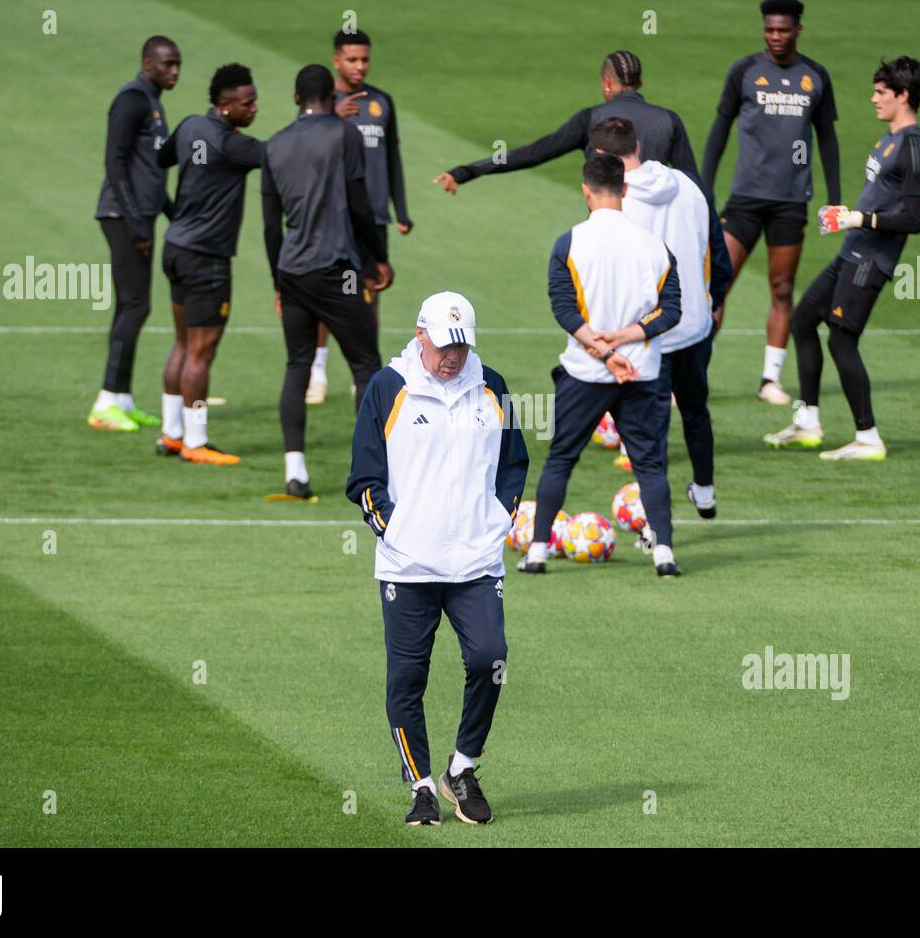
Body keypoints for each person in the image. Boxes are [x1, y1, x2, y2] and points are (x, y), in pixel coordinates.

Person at [346, 292, 529, 826]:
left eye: (462, 344)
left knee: (489, 658)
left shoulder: (492, 385)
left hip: (476, 562)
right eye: (445, 344)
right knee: (407, 680)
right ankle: (422, 786)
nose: (453, 356)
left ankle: (463, 768)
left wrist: (500, 520)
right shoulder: (388, 387)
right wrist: (393, 530)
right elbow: (363, 475)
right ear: (420, 335)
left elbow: (514, 463)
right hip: (408, 566)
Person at [519, 154, 683, 577]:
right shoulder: (655, 246)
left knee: (560, 459)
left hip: (584, 372)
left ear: (585, 190)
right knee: (649, 464)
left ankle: (537, 551)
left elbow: (563, 308)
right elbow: (671, 311)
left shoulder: (569, 242)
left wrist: (603, 350)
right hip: (641, 372)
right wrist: (625, 342)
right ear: (625, 190)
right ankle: (664, 552)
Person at [764, 56, 920, 461]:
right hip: (852, 251)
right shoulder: (887, 140)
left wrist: (860, 217)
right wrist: (845, 217)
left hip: (871, 261)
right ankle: (807, 421)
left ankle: (868, 436)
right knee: (804, 320)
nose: (873, 99)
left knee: (842, 339)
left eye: (881, 92)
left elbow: (913, 218)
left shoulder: (913, 147)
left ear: (903, 95)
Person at [590, 117, 733, 519]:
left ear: (601, 155)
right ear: (638, 144)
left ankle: (655, 527)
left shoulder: (615, 205)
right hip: (693, 327)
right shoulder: (690, 186)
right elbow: (718, 254)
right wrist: (713, 300)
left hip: (647, 334)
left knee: (647, 432)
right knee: (695, 410)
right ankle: (704, 491)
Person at [700, 0, 840, 406]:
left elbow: (827, 138)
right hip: (744, 199)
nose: (775, 37)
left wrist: (833, 199)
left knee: (782, 288)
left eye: (783, 30)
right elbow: (719, 129)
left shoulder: (815, 76)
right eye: (769, 30)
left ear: (798, 28)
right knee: (716, 287)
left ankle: (769, 381)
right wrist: (705, 188)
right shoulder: (744, 72)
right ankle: (693, 377)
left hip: (790, 201)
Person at [262, 64, 393, 499]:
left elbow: (270, 227)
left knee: (298, 363)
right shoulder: (344, 135)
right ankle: (372, 470)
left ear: (297, 96)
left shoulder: (275, 144)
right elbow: (361, 205)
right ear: (330, 97)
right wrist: (378, 258)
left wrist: (277, 282)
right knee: (366, 364)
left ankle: (294, 470)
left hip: (293, 272)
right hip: (341, 273)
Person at [154, 64, 263, 465]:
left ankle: (171, 434)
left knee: (183, 343)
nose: (254, 109)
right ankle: (196, 443)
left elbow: (158, 161)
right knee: (202, 351)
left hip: (176, 248)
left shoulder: (188, 127)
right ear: (225, 104)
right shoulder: (233, 146)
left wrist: (173, 213)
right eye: (247, 104)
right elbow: (282, 154)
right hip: (207, 260)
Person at [308, 28, 414, 405]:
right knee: (327, 292)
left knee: (369, 292)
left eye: (364, 59)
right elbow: (305, 147)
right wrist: (331, 118)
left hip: (374, 218)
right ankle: (316, 371)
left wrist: (400, 210)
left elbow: (392, 158)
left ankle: (363, 374)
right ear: (336, 59)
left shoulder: (382, 103)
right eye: (351, 59)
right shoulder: (321, 103)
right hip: (333, 216)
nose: (359, 66)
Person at [432, 50, 695, 195]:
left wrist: (466, 172)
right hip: (661, 238)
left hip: (606, 229)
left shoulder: (591, 119)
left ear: (606, 82)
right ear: (640, 83)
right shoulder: (669, 120)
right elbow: (694, 185)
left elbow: (534, 153)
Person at [90, 35, 181, 433]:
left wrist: (173, 212)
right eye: (167, 64)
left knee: (133, 305)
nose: (174, 71)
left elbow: (150, 171)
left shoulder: (153, 100)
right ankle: (106, 401)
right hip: (122, 216)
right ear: (148, 62)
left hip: (137, 215)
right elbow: (115, 160)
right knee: (134, 305)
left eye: (178, 64)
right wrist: (137, 220)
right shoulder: (132, 99)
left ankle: (122, 399)